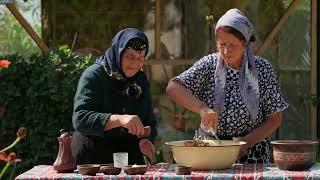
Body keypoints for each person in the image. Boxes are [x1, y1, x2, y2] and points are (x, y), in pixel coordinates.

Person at [166, 9, 288, 163]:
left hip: (251, 153)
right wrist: (202, 108)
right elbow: (173, 87)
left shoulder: (262, 70)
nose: (226, 51)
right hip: (208, 149)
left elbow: (274, 119)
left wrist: (246, 142)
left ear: (245, 43)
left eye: (233, 45)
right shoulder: (209, 64)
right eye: (222, 44)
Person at [71, 28, 157, 165]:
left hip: (130, 162)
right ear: (118, 52)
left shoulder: (140, 81)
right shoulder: (94, 76)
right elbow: (80, 118)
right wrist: (118, 119)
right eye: (130, 57)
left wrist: (147, 140)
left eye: (140, 58)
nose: (135, 64)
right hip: (93, 161)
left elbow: (149, 121)